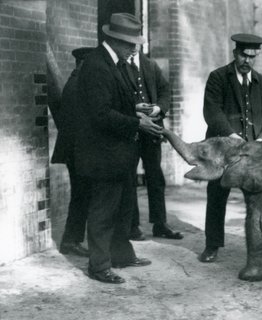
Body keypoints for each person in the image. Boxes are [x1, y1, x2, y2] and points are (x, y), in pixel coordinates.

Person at [74, 13, 162, 284]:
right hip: (102, 155)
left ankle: (122, 255)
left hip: (120, 153)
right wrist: (138, 123)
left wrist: (135, 109)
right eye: (129, 42)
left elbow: (113, 103)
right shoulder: (96, 66)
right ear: (112, 40)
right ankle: (98, 266)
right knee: (103, 211)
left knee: (124, 208)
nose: (135, 48)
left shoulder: (117, 63)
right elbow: (100, 114)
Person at [199, 33, 262, 263]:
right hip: (225, 149)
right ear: (235, 53)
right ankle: (212, 245)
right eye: (243, 56)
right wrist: (232, 136)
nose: (247, 61)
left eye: (252, 57)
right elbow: (212, 111)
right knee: (217, 196)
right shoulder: (218, 78)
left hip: (254, 153)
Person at [124, 38, 183, 241]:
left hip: (152, 132)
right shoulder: (119, 65)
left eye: (136, 44)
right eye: (129, 44)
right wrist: (133, 111)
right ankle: (132, 226)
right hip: (129, 130)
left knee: (156, 177)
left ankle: (160, 224)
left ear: (141, 44)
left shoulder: (150, 65)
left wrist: (159, 108)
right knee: (129, 177)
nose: (133, 48)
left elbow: (166, 91)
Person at [51, 47, 94, 258]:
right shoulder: (79, 85)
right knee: (81, 196)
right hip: (78, 151)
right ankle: (71, 241)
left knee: (82, 195)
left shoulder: (74, 82)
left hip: (77, 150)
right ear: (84, 63)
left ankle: (72, 240)